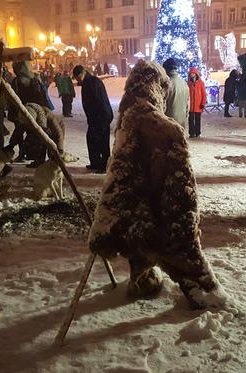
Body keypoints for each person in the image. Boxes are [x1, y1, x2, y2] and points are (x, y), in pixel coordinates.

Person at [87, 60, 228, 309]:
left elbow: (117, 180)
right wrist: (185, 229)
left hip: (132, 217)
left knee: (141, 239)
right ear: (158, 89)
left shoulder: (124, 125)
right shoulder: (167, 131)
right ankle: (207, 294)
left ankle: (143, 280)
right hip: (160, 214)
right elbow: (181, 192)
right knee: (180, 252)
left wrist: (107, 222)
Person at [8, 61, 51, 166]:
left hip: (32, 111)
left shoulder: (33, 81)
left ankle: (32, 156)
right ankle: (23, 154)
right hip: (21, 111)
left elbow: (39, 97)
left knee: (32, 134)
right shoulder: (17, 81)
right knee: (20, 133)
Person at [73, 64, 113, 173]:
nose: (77, 80)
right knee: (93, 139)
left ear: (83, 73)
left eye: (78, 77)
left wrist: (96, 119)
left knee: (102, 141)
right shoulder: (88, 82)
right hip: (97, 117)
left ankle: (104, 165)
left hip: (101, 116)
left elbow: (98, 102)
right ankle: (96, 163)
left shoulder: (92, 83)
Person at [162, 58, 190, 129]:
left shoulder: (166, 85)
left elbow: (162, 105)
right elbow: (188, 104)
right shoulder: (184, 83)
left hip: (168, 122)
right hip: (181, 122)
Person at [187, 67, 207, 138]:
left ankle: (198, 132)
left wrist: (203, 103)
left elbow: (204, 94)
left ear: (195, 74)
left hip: (198, 105)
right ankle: (192, 133)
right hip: (191, 105)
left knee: (198, 119)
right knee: (191, 120)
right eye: (190, 73)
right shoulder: (188, 83)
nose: (191, 74)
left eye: (192, 73)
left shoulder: (201, 83)